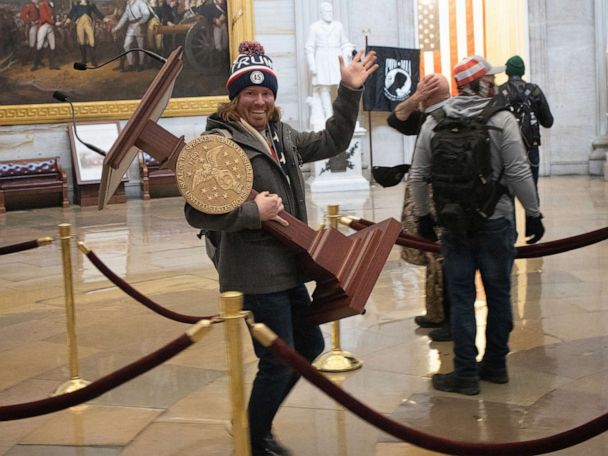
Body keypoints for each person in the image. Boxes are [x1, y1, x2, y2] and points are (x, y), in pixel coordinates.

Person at [184, 41, 378, 455]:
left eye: (266, 93)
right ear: (235, 98)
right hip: (254, 272)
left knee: (309, 347)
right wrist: (252, 212)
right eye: (250, 93)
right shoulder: (219, 142)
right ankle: (254, 439)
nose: (259, 100)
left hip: (290, 266)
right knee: (278, 358)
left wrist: (349, 92)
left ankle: (253, 425)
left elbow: (332, 140)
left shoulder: (281, 134)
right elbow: (196, 214)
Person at [408, 55, 545, 395]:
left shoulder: (434, 120)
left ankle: (465, 372)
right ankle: (496, 365)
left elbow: (418, 175)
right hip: (496, 221)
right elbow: (518, 171)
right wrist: (534, 212)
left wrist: (424, 217)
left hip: (454, 224)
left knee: (461, 295)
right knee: (499, 294)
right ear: (483, 84)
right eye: (491, 79)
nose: (495, 84)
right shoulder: (502, 119)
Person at [387, 73, 453, 342]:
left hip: (439, 197)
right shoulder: (425, 115)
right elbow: (396, 118)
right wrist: (417, 98)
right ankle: (436, 313)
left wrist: (418, 97)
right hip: (426, 194)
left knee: (441, 258)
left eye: (420, 90)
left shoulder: (447, 116)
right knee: (431, 256)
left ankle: (450, 319)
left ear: (429, 95)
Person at [498, 55, 554, 190]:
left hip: (506, 150)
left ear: (507, 71)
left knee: (506, 195)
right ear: (522, 71)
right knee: (532, 193)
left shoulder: (499, 92)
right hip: (530, 147)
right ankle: (532, 211)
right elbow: (548, 122)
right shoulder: (534, 91)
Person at [304, 2, 354, 129]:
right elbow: (309, 47)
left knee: (340, 86)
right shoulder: (314, 27)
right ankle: (329, 115)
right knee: (324, 88)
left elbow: (345, 43)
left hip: (336, 57)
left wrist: (348, 50)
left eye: (331, 11)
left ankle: (340, 113)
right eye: (326, 12)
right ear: (321, 13)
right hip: (321, 58)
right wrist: (312, 65)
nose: (329, 14)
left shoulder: (338, 26)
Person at [112, 0, 150, 71]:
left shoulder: (140, 2)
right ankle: (130, 64)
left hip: (139, 26)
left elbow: (146, 14)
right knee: (126, 45)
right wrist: (116, 28)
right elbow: (125, 16)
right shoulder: (128, 3)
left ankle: (141, 64)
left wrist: (139, 23)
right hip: (131, 26)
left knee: (140, 46)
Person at [65, 0, 105, 66]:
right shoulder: (76, 4)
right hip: (79, 23)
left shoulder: (91, 4)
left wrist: (103, 18)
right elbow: (71, 13)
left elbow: (97, 12)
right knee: (81, 41)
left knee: (92, 40)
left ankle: (93, 60)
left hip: (88, 22)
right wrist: (68, 19)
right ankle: (84, 60)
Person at [33, 0, 59, 71]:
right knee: (39, 45)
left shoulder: (52, 4)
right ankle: (35, 65)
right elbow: (45, 17)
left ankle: (52, 65)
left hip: (50, 27)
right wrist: (54, 23)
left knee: (52, 45)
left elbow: (53, 15)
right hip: (43, 26)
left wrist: (55, 22)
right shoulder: (42, 4)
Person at [20, 0, 39, 66]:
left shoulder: (40, 5)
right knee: (32, 44)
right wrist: (30, 22)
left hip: (40, 25)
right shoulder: (29, 6)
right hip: (32, 26)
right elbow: (23, 15)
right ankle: (28, 59)